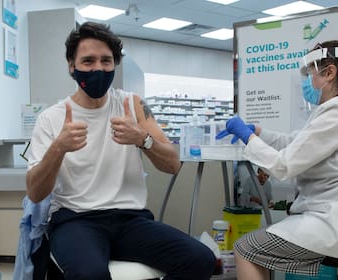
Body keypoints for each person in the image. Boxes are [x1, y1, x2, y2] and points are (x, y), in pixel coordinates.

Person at [25, 21, 216, 280]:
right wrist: (59, 147)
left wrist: (142, 139)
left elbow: (172, 165)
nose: (98, 69)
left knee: (200, 259)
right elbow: (35, 193)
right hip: (77, 221)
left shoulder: (132, 105)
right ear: (72, 65)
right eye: (88, 61)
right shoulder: (51, 118)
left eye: (106, 61)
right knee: (90, 274)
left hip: (131, 220)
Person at [216, 40, 338, 279]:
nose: (310, 82)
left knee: (246, 248)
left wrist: (247, 137)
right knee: (258, 247)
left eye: (312, 73)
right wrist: (257, 131)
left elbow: (283, 166)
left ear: (330, 72)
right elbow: (296, 143)